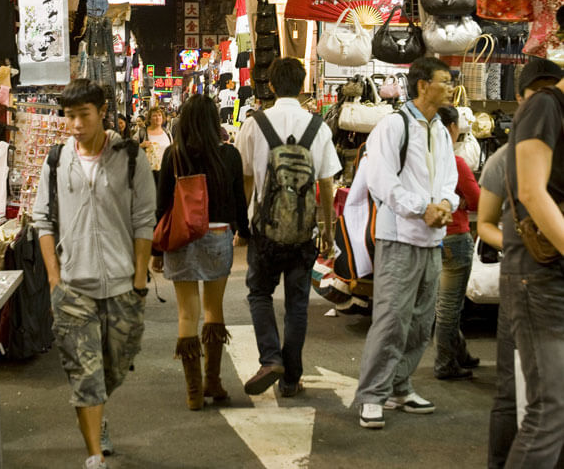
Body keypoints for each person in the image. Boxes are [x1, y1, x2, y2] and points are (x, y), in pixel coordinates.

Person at [33, 79, 156, 469]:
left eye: (83, 115)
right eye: (69, 116)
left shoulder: (131, 157)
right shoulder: (55, 161)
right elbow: (43, 221)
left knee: (114, 368)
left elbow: (143, 221)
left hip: (122, 286)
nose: (75, 124)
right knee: (85, 374)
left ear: (101, 112)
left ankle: (98, 410)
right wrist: (55, 280)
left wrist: (139, 279)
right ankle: (95, 454)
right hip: (73, 288)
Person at [354, 56, 459, 429]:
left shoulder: (441, 130)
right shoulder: (393, 126)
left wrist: (446, 204)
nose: (450, 87)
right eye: (444, 81)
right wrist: (421, 208)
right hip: (399, 237)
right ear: (422, 85)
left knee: (421, 320)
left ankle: (400, 386)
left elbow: (449, 178)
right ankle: (371, 395)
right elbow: (381, 181)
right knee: (391, 320)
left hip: (432, 239)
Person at [235, 57, 341, 398]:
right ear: (302, 84)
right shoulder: (319, 127)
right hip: (303, 231)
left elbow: (247, 179)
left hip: (264, 231)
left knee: (260, 294)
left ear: (270, 86)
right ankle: (291, 379)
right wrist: (327, 229)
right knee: (297, 304)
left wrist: (243, 224)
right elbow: (327, 183)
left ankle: (270, 357)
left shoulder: (254, 124)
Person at [151, 94, 250, 410]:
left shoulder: (174, 156)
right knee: (213, 309)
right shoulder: (229, 155)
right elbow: (239, 201)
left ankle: (193, 393)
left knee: (186, 313)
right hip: (218, 236)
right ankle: (214, 382)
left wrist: (156, 249)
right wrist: (244, 233)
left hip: (181, 236)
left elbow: (162, 205)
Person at [494, 58, 564, 468]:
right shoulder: (544, 105)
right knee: (548, 411)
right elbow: (533, 194)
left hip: (550, 273)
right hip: (541, 277)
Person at [434, 105, 481, 380]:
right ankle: (445, 363)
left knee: (445, 304)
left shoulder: (424, 162)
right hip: (455, 237)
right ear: (452, 128)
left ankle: (460, 353)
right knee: (450, 308)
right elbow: (477, 201)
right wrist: (461, 200)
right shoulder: (456, 163)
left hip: (433, 239)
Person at [135, 105, 172, 182]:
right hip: (148, 173)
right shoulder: (142, 132)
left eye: (159, 115)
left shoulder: (167, 132)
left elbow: (173, 150)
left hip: (166, 172)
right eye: (154, 116)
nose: (158, 118)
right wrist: (141, 145)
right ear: (149, 119)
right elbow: (131, 147)